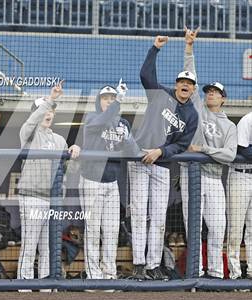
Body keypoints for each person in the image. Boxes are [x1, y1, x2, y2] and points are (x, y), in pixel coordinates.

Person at [129, 35, 199, 280]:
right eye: (181, 81)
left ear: (192, 89)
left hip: (161, 164)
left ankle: (153, 265)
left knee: (158, 217)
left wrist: (161, 151)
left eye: (188, 83)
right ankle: (138, 264)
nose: (184, 85)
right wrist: (155, 49)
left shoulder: (192, 115)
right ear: (176, 83)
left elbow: (182, 144)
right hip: (140, 159)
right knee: (139, 213)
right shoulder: (160, 94)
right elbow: (145, 75)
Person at [180, 27, 237, 279]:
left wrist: (203, 148)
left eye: (215, 92)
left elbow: (230, 155)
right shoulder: (197, 109)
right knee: (192, 226)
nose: (210, 93)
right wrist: (189, 47)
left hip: (214, 178)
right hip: (192, 175)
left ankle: (214, 273)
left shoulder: (229, 125)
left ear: (223, 98)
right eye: (208, 91)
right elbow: (190, 75)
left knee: (217, 228)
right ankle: (196, 271)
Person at [17, 81, 80, 285]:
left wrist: (74, 152)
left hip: (51, 200)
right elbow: (31, 121)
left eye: (51, 110)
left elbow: (67, 172)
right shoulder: (28, 134)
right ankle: (24, 289)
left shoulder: (60, 140)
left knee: (47, 247)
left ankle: (44, 291)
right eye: (43, 109)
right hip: (31, 197)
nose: (48, 113)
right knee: (29, 245)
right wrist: (50, 99)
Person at [80, 81, 138, 281]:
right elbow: (103, 121)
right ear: (99, 101)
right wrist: (118, 103)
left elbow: (132, 152)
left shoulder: (123, 124)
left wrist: (128, 138)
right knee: (93, 231)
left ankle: (109, 275)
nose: (109, 101)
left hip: (112, 183)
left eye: (112, 98)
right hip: (92, 180)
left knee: (112, 232)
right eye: (105, 98)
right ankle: (93, 276)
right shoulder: (92, 117)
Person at [227, 114, 252, 280]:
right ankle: (235, 274)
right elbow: (244, 149)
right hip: (240, 175)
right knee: (235, 229)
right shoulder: (247, 119)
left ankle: (251, 272)